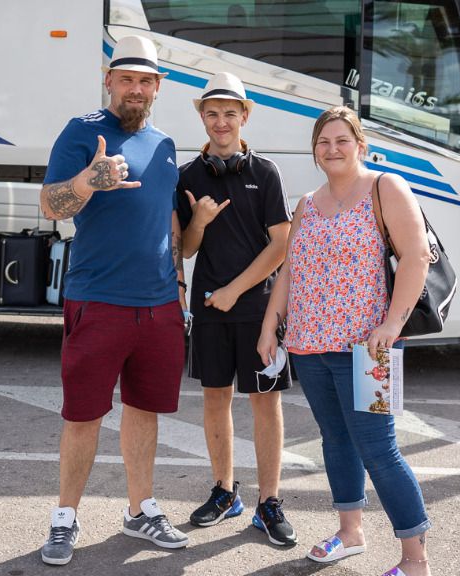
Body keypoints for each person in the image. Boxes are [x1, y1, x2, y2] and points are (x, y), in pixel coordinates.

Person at [257, 105, 434, 576]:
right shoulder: (307, 204)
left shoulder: (384, 188)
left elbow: (417, 256)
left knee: (379, 448)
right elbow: (292, 269)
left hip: (369, 348)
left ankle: (416, 560)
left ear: (360, 145)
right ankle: (350, 533)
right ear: (314, 151)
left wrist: (393, 324)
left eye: (341, 140)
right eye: (323, 142)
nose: (332, 149)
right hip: (309, 345)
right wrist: (271, 322)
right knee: (335, 439)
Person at [38, 35, 190, 566]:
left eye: (146, 80)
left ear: (158, 88)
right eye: (126, 78)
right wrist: (87, 181)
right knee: (83, 415)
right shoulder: (82, 133)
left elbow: (167, 222)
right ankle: (64, 519)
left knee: (145, 411)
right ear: (109, 81)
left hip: (158, 305)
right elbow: (51, 205)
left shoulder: (167, 144)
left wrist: (178, 286)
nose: (136, 89)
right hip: (97, 298)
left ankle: (140, 510)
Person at [174, 72, 296, 546]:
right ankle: (225, 493)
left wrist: (234, 291)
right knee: (214, 398)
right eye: (212, 113)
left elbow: (281, 245)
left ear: (245, 116)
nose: (220, 122)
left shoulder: (265, 173)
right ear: (200, 116)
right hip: (208, 308)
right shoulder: (187, 176)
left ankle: (269, 503)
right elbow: (185, 249)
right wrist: (200, 222)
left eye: (230, 113)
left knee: (265, 402)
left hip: (258, 309)